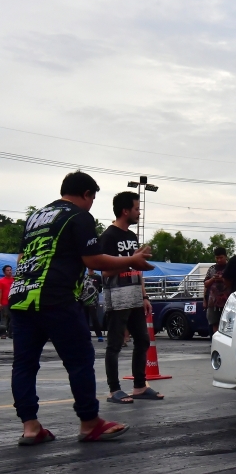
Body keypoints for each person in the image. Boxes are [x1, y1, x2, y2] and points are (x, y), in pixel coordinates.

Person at [12, 171, 153, 445]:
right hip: (56, 298)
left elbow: (22, 258)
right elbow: (93, 260)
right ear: (87, 194)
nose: (91, 205)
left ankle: (30, 427)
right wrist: (131, 260)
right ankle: (89, 423)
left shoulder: (35, 218)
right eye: (92, 199)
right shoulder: (79, 215)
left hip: (22, 297)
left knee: (24, 365)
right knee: (79, 361)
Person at [100, 191, 164, 405]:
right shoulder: (108, 236)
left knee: (143, 340)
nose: (139, 213)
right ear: (125, 211)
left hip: (135, 298)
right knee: (115, 345)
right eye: (137, 209)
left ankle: (139, 386)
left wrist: (144, 295)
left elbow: (137, 268)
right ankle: (114, 390)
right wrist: (130, 260)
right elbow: (104, 271)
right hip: (117, 299)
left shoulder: (131, 236)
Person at [204, 247, 230, 334]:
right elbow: (206, 284)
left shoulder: (230, 267)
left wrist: (223, 279)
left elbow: (233, 282)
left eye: (221, 257)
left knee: (227, 324)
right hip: (213, 302)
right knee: (214, 323)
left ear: (225, 257)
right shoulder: (212, 269)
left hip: (227, 302)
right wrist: (213, 279)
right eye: (217, 258)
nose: (219, 260)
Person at [79, 269, 103, 341]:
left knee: (94, 318)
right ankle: (86, 335)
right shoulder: (84, 277)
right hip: (83, 300)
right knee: (85, 318)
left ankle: (99, 336)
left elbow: (100, 289)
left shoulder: (98, 277)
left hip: (93, 301)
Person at [0, 265, 13, 339]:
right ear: (4, 272)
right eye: (7, 270)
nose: (9, 271)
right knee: (4, 318)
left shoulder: (14, 280)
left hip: (13, 302)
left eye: (10, 270)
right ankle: (2, 333)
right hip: (4, 302)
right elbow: (0, 292)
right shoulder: (1, 281)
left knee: (13, 318)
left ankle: (11, 333)